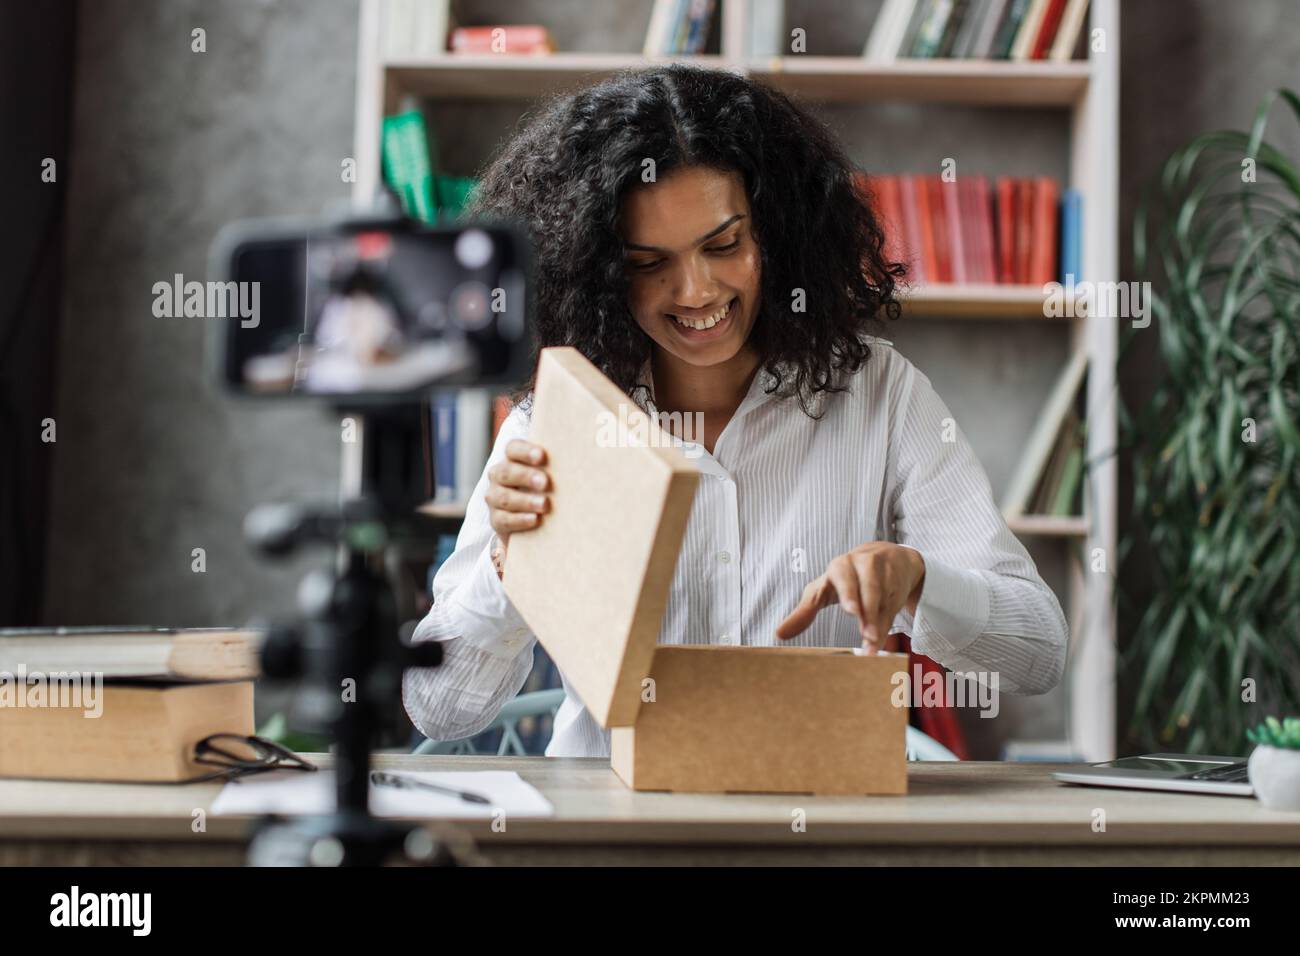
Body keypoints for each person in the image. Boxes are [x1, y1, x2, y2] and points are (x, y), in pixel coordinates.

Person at [403, 65, 1068, 757]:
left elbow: (1038, 653)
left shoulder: (882, 395)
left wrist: (919, 581)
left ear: (776, 236)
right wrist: (514, 564)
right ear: (596, 269)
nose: (695, 291)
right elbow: (437, 710)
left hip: (812, 822)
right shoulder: (556, 420)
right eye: (646, 262)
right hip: (611, 825)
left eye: (723, 246)